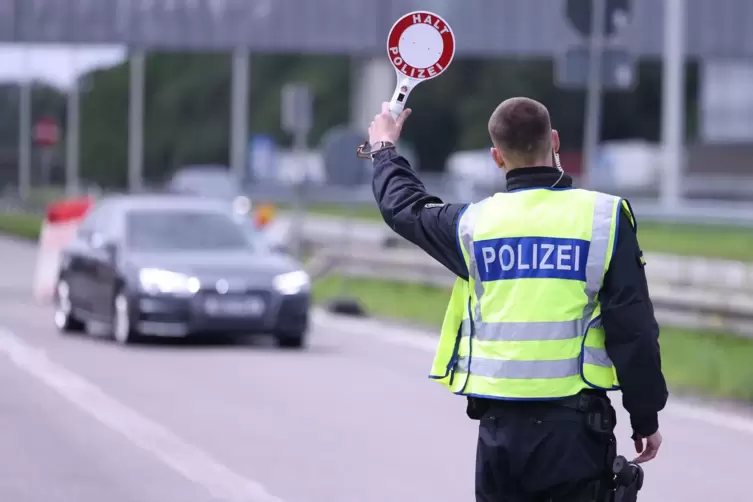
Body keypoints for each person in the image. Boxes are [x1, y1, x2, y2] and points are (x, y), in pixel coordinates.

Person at [365, 98, 668, 501]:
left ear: (496, 156)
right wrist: (644, 415)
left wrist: (384, 148)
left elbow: (404, 206)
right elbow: (633, 329)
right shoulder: (605, 218)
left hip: (500, 436)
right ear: (555, 140)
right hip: (575, 433)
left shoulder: (473, 225)